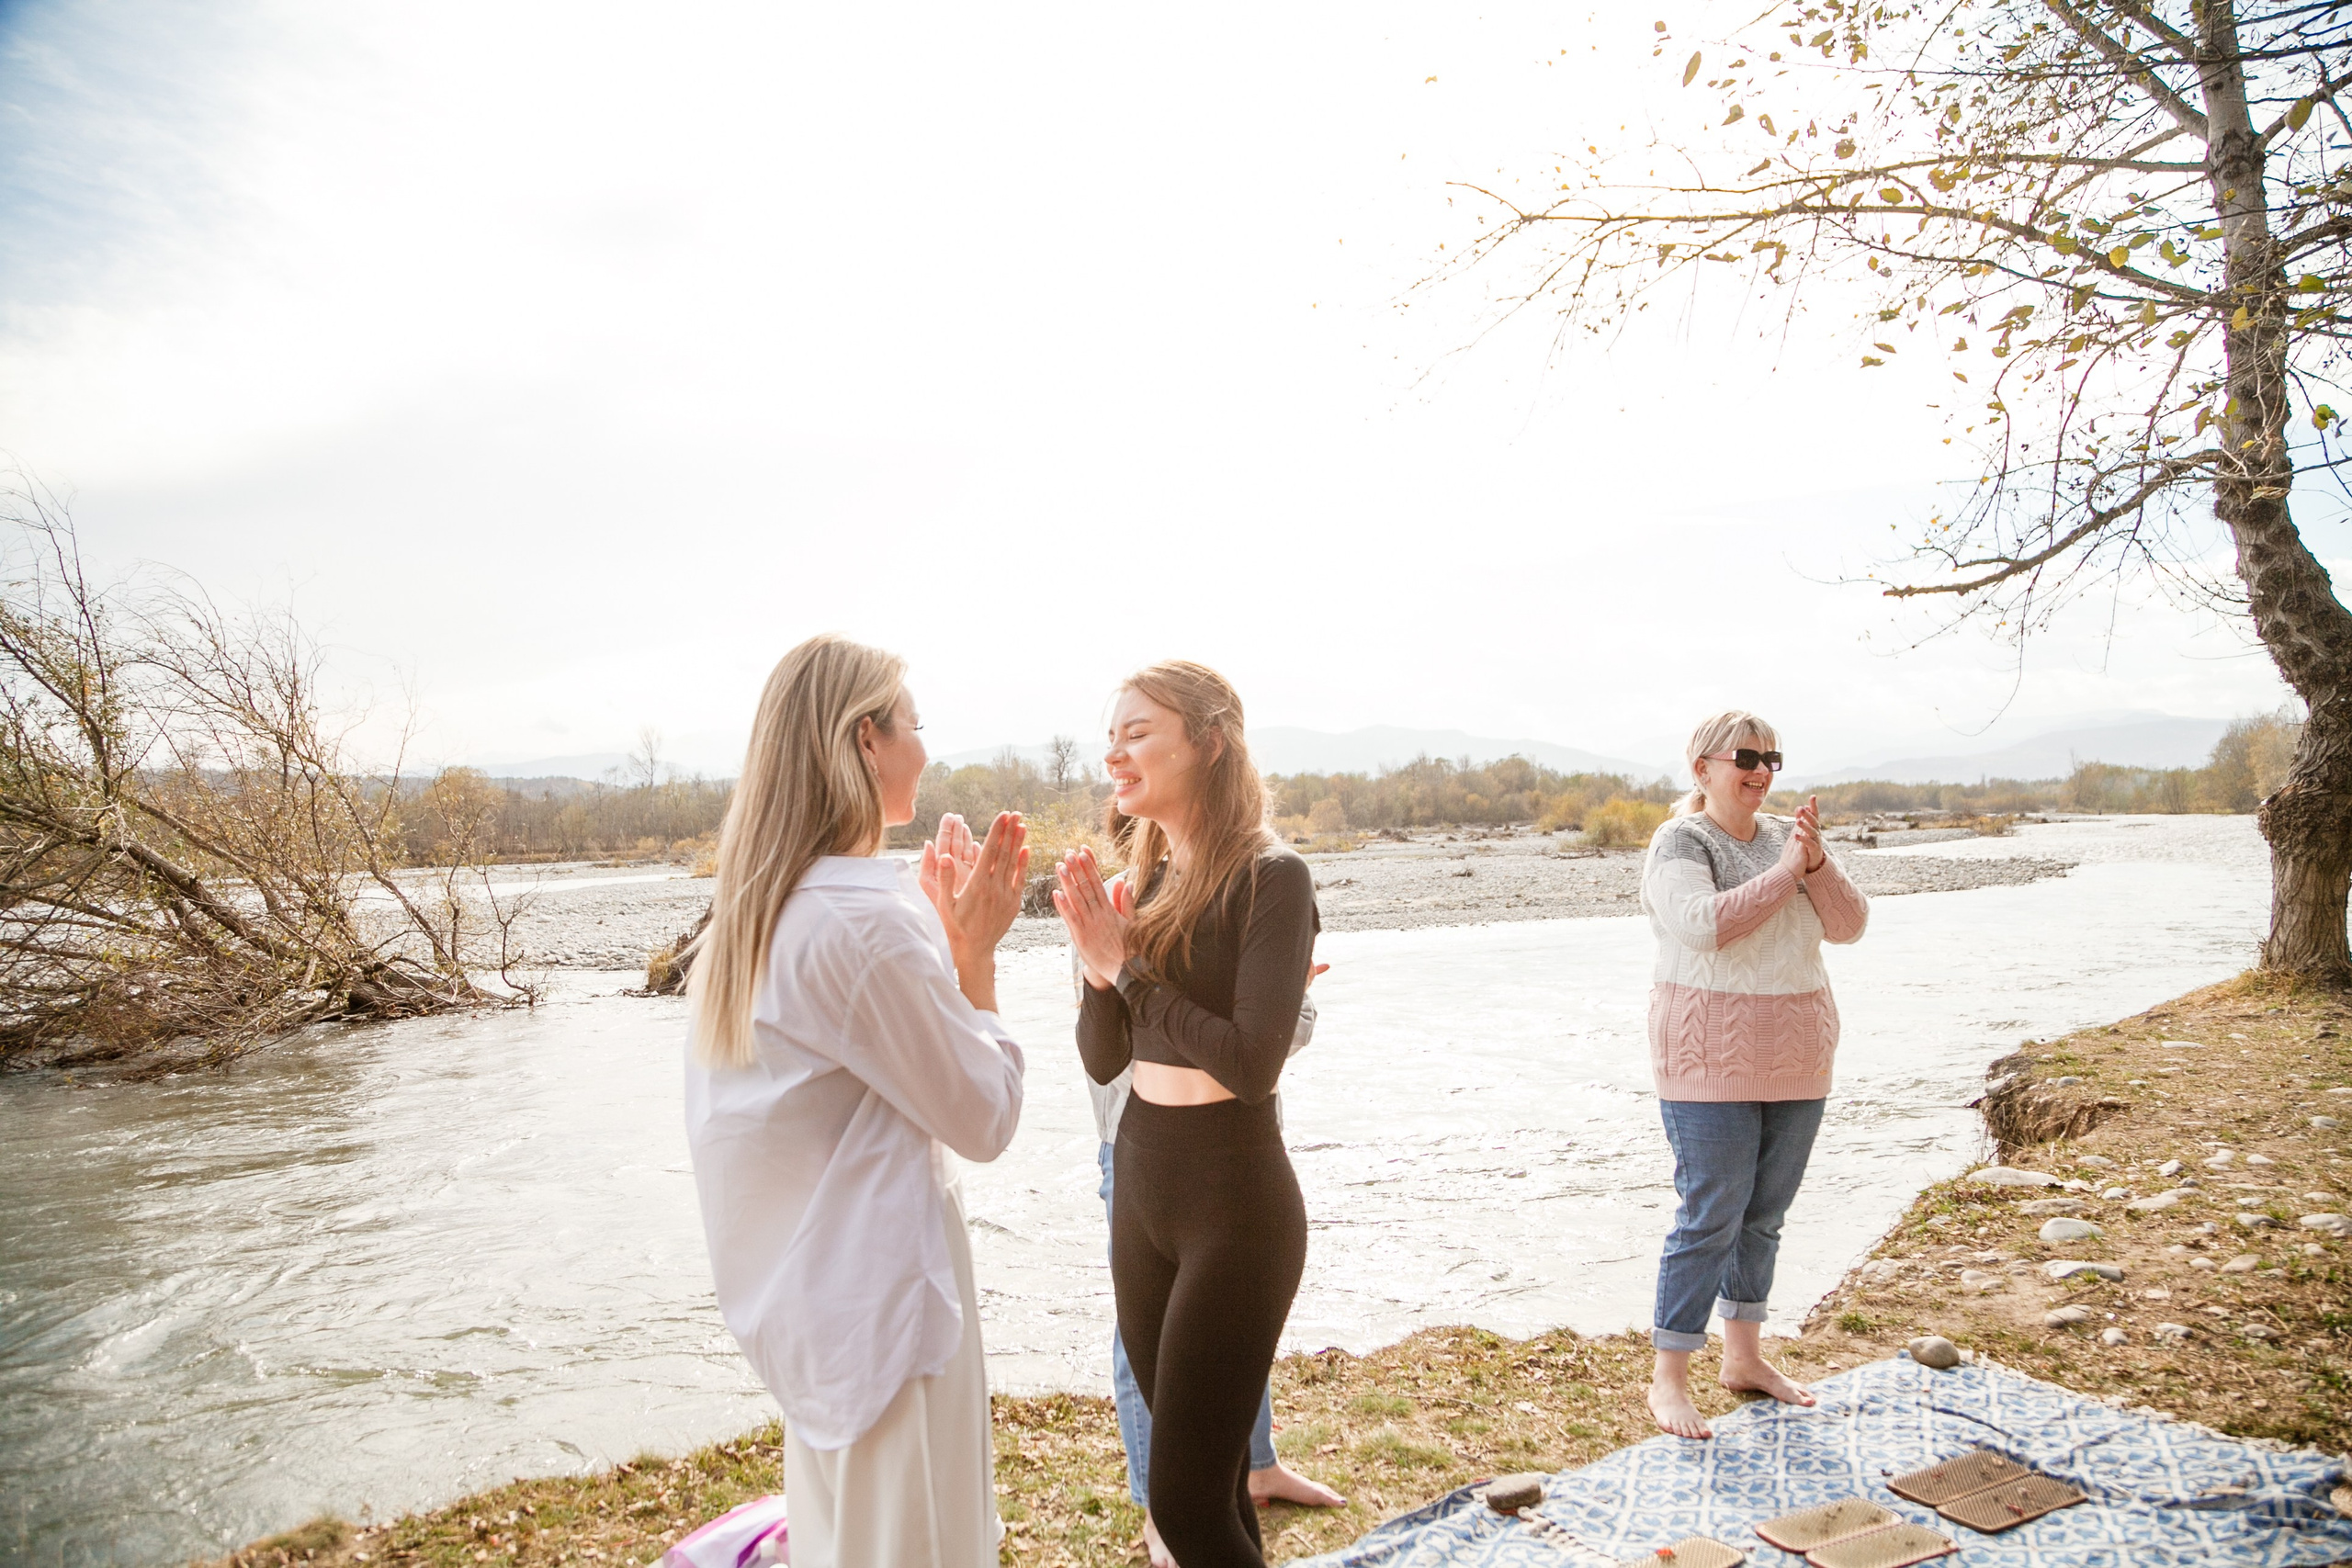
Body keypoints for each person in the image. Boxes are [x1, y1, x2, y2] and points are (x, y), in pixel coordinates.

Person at [682, 634, 1030, 1568]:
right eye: (913, 725)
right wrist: (974, 962)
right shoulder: (861, 919)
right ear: (866, 740)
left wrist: (937, 951)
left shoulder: (765, 911)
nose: (925, 747)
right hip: (887, 1321)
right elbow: (985, 1115)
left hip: (815, 1314)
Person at [1054, 660, 1319, 1568]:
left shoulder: (1273, 878)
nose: (1114, 754)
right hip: (1143, 1189)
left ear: (1208, 742)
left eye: (1138, 733)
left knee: (1181, 1508)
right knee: (1212, 1490)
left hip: (1234, 1206)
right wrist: (1100, 973)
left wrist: (1124, 967)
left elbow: (1251, 1065)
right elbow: (1104, 1060)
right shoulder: (1145, 882)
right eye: (1112, 736)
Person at [1638, 709, 1869, 1441]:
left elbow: (1850, 925)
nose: (1762, 770)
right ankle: (1669, 1378)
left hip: (1799, 1052)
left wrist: (1817, 863)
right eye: (1746, 756)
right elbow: (1705, 925)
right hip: (1709, 1054)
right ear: (1702, 768)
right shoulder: (1682, 840)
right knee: (1711, 1214)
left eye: (1772, 758)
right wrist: (1786, 873)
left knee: (1763, 1216)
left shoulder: (1789, 840)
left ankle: (1743, 1359)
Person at [1083, 968, 1342, 1568]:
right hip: (1138, 1145)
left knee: (1223, 1339)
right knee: (1163, 1348)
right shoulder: (1122, 921)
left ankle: (1252, 1465)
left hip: (1236, 1145)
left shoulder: (1259, 906)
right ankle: (1160, 1501)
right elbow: (1108, 1053)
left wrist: (1271, 1006)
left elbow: (1266, 1047)